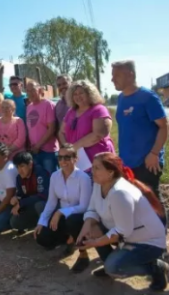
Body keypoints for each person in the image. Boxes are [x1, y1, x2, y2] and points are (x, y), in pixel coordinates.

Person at [76, 152, 168, 291]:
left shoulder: (120, 193)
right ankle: (113, 263)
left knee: (113, 268)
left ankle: (155, 267)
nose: (92, 171)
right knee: (92, 230)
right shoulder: (99, 184)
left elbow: (122, 231)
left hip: (146, 243)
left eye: (97, 168)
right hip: (126, 234)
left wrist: (94, 243)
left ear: (110, 172)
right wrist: (86, 226)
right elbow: (92, 209)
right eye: (93, 167)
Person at [112, 60, 168, 211]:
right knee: (136, 202)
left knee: (152, 199)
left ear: (130, 75)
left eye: (116, 75)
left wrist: (154, 153)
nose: (112, 79)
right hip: (128, 162)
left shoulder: (148, 97)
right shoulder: (121, 98)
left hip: (147, 162)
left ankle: (160, 233)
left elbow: (164, 127)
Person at [34, 144, 92, 273]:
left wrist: (61, 211)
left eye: (67, 157)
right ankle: (69, 240)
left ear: (75, 159)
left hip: (79, 217)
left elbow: (84, 206)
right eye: (60, 158)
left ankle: (83, 255)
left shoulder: (84, 178)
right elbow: (50, 202)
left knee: (72, 221)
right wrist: (41, 222)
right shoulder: (55, 176)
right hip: (62, 216)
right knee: (42, 238)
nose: (63, 161)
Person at [59, 80, 115, 165]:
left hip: (99, 161)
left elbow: (98, 134)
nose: (78, 96)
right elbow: (61, 132)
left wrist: (73, 148)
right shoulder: (71, 112)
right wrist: (66, 148)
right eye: (75, 94)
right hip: (78, 162)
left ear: (89, 93)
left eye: (81, 93)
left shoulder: (99, 109)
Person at [10, 152, 50, 233]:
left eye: (22, 166)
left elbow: (43, 196)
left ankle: (47, 230)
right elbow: (21, 194)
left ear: (30, 164)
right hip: (31, 206)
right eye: (17, 167)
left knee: (40, 205)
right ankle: (35, 225)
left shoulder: (40, 173)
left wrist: (21, 203)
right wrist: (16, 198)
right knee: (14, 222)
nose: (19, 170)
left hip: (47, 206)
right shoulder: (19, 178)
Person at [26, 81, 58, 174]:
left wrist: (38, 145)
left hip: (48, 151)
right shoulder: (29, 107)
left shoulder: (48, 105)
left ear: (39, 90)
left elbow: (51, 129)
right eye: (27, 91)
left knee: (51, 180)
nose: (30, 93)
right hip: (34, 151)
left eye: (32, 90)